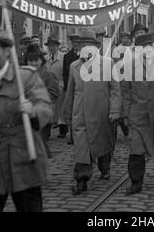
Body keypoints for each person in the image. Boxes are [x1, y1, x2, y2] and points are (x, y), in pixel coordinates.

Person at [0, 27, 52, 212]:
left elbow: (45, 107)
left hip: (23, 157)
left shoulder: (26, 77)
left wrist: (33, 110)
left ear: (6, 51)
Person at [61, 30, 121, 194]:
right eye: (83, 45)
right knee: (81, 147)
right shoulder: (75, 66)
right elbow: (70, 92)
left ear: (96, 47)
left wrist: (115, 109)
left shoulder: (108, 64)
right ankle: (82, 178)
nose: (87, 48)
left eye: (91, 45)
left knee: (102, 142)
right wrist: (67, 115)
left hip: (101, 110)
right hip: (80, 112)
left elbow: (115, 89)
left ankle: (104, 167)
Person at [121, 33, 154, 195]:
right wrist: (125, 114)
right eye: (143, 47)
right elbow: (125, 92)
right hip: (138, 115)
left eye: (150, 47)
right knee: (136, 149)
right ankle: (136, 182)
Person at [23, 43, 59, 158]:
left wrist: (40, 100)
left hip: (43, 114)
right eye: (30, 60)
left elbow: (54, 93)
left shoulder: (48, 75)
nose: (33, 63)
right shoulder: (22, 76)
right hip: (26, 114)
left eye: (36, 60)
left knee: (39, 140)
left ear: (41, 61)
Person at [44, 36, 67, 139]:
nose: (51, 48)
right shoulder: (45, 58)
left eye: (53, 45)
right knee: (49, 109)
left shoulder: (63, 57)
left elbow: (65, 71)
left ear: (57, 46)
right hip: (49, 87)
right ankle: (47, 131)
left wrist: (63, 83)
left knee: (61, 108)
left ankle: (63, 130)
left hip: (60, 84)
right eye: (50, 46)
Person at [62, 34, 81, 145]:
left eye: (78, 43)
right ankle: (72, 135)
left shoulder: (84, 56)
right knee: (71, 111)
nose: (76, 44)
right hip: (70, 87)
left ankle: (79, 134)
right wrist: (67, 86)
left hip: (80, 87)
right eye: (74, 42)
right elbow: (65, 73)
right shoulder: (67, 56)